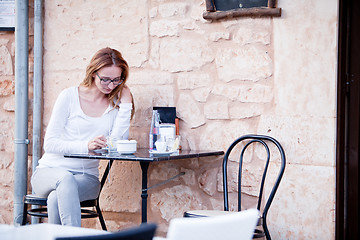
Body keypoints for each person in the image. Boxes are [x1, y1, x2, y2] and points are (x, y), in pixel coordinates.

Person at [31, 47, 134, 227]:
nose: (111, 85)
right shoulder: (69, 97)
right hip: (48, 173)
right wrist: (85, 145)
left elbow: (117, 146)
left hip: (86, 178)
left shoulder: (114, 105)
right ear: (94, 73)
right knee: (64, 179)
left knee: (56, 197)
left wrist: (126, 104)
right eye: (106, 79)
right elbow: (50, 144)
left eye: (117, 80)